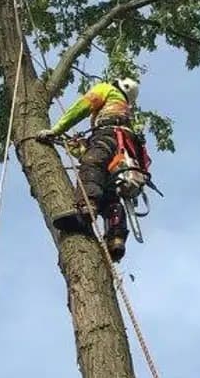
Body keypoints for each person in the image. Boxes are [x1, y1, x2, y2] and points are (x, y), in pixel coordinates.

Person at [36, 76, 145, 261]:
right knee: (110, 195)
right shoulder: (125, 113)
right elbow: (98, 153)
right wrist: (74, 146)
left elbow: (83, 106)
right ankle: (116, 237)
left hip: (108, 137)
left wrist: (57, 129)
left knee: (91, 165)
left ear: (119, 85)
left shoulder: (107, 89)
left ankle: (85, 210)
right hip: (124, 150)